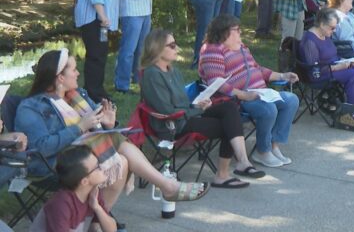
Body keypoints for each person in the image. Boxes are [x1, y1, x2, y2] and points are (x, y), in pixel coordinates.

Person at [16, 49, 209, 211]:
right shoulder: (31, 107)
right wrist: (80, 126)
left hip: (85, 154)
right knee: (119, 150)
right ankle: (166, 187)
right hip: (53, 165)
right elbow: (41, 148)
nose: (77, 74)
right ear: (59, 77)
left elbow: (98, 129)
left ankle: (96, 221)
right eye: (73, 70)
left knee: (122, 160)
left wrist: (108, 124)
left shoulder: (77, 96)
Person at [140, 28, 262, 187]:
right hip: (172, 124)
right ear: (157, 48)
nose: (177, 49)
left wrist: (199, 105)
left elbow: (181, 103)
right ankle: (222, 176)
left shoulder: (173, 71)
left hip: (186, 114)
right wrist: (197, 109)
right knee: (228, 126)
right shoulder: (152, 75)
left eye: (176, 44)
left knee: (229, 108)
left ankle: (242, 161)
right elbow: (167, 111)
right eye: (172, 45)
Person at [199, 15, 299, 168]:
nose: (240, 33)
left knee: (291, 100)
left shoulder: (241, 47)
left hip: (260, 92)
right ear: (224, 32)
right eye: (237, 30)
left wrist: (282, 75)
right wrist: (245, 95)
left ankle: (273, 145)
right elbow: (216, 83)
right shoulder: (212, 50)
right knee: (268, 108)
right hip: (237, 99)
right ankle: (262, 151)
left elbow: (257, 69)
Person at [30, 145, 117, 232]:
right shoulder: (61, 204)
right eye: (97, 167)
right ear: (85, 181)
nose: (102, 167)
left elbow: (112, 229)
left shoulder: (92, 193)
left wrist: (97, 208)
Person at [299, 8, 354, 108]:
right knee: (353, 74)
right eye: (332, 28)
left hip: (333, 68)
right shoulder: (309, 41)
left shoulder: (325, 34)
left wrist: (346, 61)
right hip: (320, 75)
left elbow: (332, 55)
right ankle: (353, 113)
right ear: (322, 24)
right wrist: (338, 67)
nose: (335, 30)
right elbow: (315, 71)